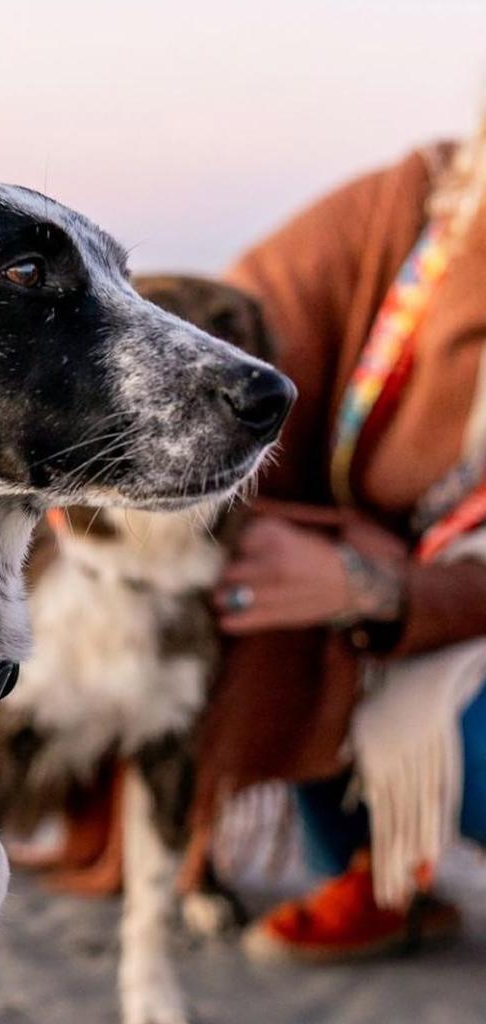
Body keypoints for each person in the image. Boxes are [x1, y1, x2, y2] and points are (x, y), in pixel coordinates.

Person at [185, 114, 486, 961]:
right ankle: (376, 869)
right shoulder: (428, 208)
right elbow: (224, 333)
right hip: (415, 577)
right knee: (266, 572)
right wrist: (323, 539)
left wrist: (383, 587)